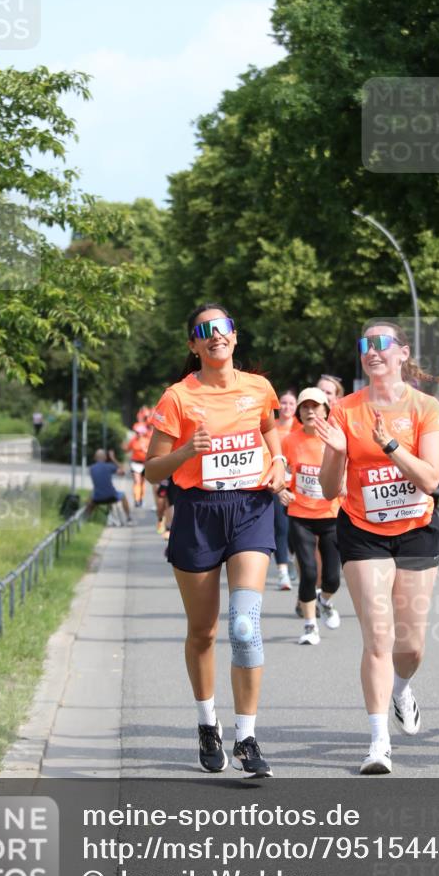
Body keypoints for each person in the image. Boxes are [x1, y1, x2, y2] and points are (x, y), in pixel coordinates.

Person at [146, 303, 285, 778]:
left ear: (234, 335)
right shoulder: (178, 398)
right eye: (203, 330)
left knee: (244, 626)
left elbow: (269, 429)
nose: (214, 335)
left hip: (250, 509)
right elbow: (152, 470)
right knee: (203, 631)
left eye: (221, 327)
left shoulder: (258, 388)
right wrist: (187, 450)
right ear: (193, 344)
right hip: (198, 512)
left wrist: (279, 462)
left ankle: (247, 736)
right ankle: (208, 724)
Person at [318, 322, 439, 775]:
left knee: (410, 646)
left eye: (381, 343)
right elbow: (329, 489)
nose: (371, 351)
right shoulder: (344, 409)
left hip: (416, 529)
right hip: (362, 530)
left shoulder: (425, 407)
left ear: (402, 353)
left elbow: (430, 479)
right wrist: (338, 453)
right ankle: (378, 742)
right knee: (378, 637)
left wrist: (390, 446)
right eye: (364, 344)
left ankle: (401, 689)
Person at [281, 387, 342, 645]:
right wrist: (282, 491)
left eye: (315, 406)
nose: (309, 411)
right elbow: (283, 473)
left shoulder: (336, 438)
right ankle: (309, 626)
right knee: (307, 572)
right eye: (304, 407)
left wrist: (345, 484)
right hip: (300, 514)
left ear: (326, 411)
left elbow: (349, 468)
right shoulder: (289, 441)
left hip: (331, 514)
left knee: (332, 578)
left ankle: (325, 601)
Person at [274, 390, 297, 590]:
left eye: (291, 403)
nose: (287, 407)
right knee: (280, 527)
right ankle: (282, 573)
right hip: (276, 485)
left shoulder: (302, 427)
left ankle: (292, 558)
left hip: (299, 487)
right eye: (283, 402)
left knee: (295, 531)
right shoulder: (270, 427)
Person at [85, 449, 132, 523]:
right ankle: (128, 518)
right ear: (105, 457)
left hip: (97, 498)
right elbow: (123, 472)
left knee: (90, 498)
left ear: (95, 458)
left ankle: (85, 519)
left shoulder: (91, 468)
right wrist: (113, 458)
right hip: (111, 496)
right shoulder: (109, 466)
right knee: (123, 495)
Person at [124, 424, 150, 507]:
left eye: (139, 432)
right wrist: (123, 447)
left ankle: (141, 498)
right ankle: (136, 500)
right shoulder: (133, 440)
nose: (138, 434)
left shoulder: (147, 440)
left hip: (145, 464)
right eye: (137, 432)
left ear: (143, 433)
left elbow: (151, 453)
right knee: (137, 481)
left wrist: (144, 449)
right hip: (135, 463)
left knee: (142, 482)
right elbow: (127, 450)